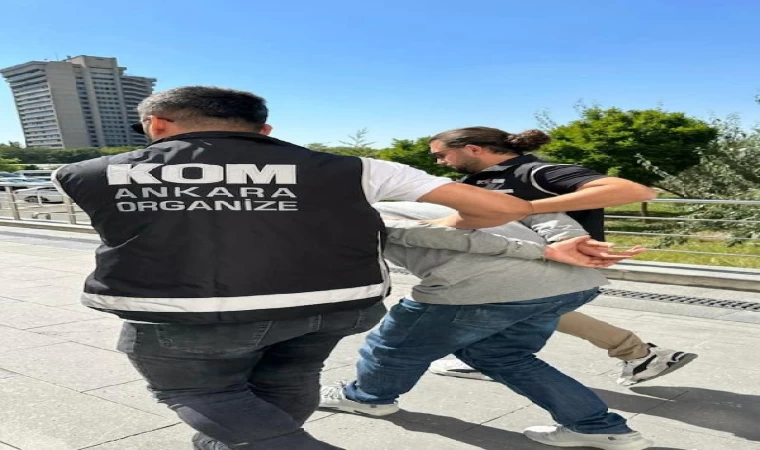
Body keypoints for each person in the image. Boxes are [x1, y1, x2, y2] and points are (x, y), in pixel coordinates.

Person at [51, 87, 535, 450]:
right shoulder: (358, 168)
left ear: (156, 124)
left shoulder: (80, 173)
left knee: (204, 393)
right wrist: (453, 222)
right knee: (290, 379)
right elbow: (503, 209)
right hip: (332, 307)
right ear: (265, 131)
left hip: (185, 315)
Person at [320, 202, 654, 450]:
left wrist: (541, 251)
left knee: (393, 346)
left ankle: (369, 398)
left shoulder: (353, 213)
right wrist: (572, 240)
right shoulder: (429, 198)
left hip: (486, 287)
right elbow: (537, 211)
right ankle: (600, 427)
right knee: (503, 356)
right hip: (572, 283)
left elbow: (439, 235)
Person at [426, 127, 697, 386]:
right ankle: (640, 354)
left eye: (441, 155)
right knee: (513, 309)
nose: (440, 162)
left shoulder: (534, 172)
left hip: (558, 259)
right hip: (515, 259)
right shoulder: (478, 180)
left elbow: (633, 191)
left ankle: (638, 353)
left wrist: (527, 207)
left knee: (509, 308)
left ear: (473, 149)